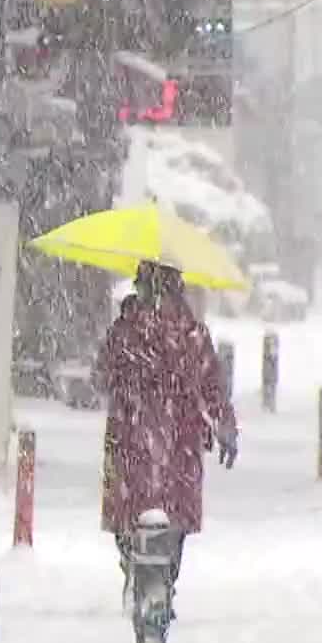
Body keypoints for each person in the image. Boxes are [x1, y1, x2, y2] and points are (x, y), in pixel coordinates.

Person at [95, 261, 238, 615]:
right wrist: (224, 427)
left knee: (130, 515)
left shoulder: (125, 331)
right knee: (174, 520)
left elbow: (105, 375)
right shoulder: (192, 335)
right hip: (179, 443)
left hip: (132, 437)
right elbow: (213, 388)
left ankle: (135, 568)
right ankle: (164, 580)